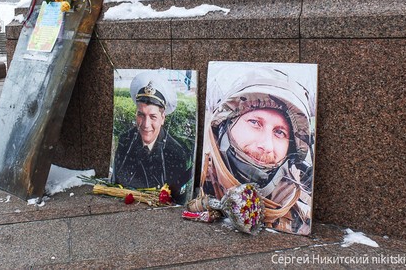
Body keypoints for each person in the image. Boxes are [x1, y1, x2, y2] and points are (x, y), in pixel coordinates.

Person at [201, 67, 314, 235]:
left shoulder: (301, 216)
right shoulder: (197, 183)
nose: (266, 145)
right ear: (226, 125)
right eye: (255, 123)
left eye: (279, 132)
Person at [111, 71, 192, 204]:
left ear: (163, 118)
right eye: (141, 115)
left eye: (153, 116)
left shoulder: (176, 153)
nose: (146, 124)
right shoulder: (125, 140)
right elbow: (119, 180)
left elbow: (175, 200)